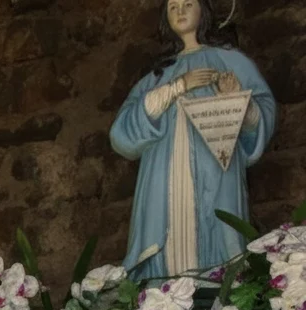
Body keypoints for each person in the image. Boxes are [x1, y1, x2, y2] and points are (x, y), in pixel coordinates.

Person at [110, 0, 275, 280]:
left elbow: (264, 112)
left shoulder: (231, 61)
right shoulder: (156, 76)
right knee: (170, 230)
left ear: (204, 11)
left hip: (215, 168)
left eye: (188, 4)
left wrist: (236, 100)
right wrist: (177, 87)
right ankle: (165, 299)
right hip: (163, 174)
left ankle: (219, 294)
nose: (181, 11)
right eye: (173, 6)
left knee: (219, 232)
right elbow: (121, 132)